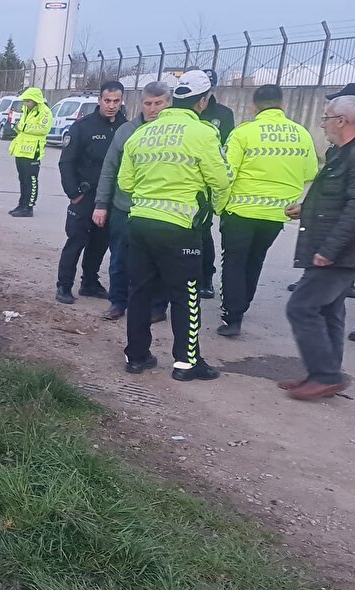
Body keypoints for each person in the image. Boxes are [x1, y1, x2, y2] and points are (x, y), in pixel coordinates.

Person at [117, 70, 232, 382]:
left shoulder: (141, 134)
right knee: (186, 293)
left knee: (139, 290)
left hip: (140, 223)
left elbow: (125, 182)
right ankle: (186, 362)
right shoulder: (204, 133)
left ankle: (136, 356)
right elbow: (220, 179)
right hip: (180, 227)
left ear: (171, 101)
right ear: (203, 101)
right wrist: (215, 207)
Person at [216, 84, 318, 337]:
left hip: (240, 210)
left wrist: (220, 206)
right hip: (277, 213)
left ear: (253, 105)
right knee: (255, 259)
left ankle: (233, 316)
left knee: (234, 262)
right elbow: (309, 172)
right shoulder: (301, 134)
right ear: (283, 104)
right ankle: (243, 305)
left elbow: (227, 173)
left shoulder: (244, 132)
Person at [282, 91, 355, 400]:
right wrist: (306, 208)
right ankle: (325, 374)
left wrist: (328, 251)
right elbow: (337, 199)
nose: (322, 124)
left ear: (342, 121)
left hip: (339, 253)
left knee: (301, 307)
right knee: (329, 311)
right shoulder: (339, 152)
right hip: (333, 248)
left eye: (326, 118)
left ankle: (325, 375)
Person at [94, 82, 172, 319]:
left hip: (160, 210)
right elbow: (109, 168)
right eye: (148, 103)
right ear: (141, 104)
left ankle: (157, 306)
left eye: (158, 103)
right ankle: (118, 302)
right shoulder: (126, 131)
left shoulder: (175, 133)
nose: (153, 109)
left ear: (168, 103)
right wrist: (101, 204)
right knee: (119, 257)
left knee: (159, 260)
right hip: (124, 207)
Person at [55, 81, 127, 304]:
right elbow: (66, 162)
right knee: (76, 240)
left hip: (111, 198)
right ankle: (64, 286)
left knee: (100, 243)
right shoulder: (83, 127)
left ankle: (89, 283)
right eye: (107, 101)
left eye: (116, 101)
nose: (112, 106)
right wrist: (73, 193)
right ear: (99, 100)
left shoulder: (126, 127)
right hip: (85, 195)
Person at [195, 68, 236, 299]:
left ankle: (205, 278)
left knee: (203, 231)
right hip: (185, 181)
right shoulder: (185, 112)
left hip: (208, 183)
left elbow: (226, 150)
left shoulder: (223, 114)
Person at [8, 87, 54, 217]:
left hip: (33, 151)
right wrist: (17, 127)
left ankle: (28, 207)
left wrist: (22, 127)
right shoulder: (26, 110)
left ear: (35, 100)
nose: (25, 103)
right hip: (21, 150)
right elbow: (21, 128)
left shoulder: (45, 112)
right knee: (22, 179)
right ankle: (22, 204)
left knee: (31, 180)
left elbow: (43, 129)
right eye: (25, 101)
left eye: (28, 101)